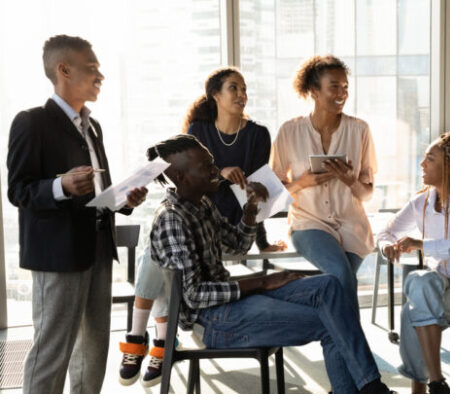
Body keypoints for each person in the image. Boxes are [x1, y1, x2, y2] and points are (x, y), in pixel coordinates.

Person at [147, 134, 395, 394]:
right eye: (206, 167)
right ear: (179, 176)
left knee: (330, 287)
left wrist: (251, 207)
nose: (215, 171)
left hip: (231, 303)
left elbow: (239, 245)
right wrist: (262, 282)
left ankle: (370, 387)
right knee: (330, 321)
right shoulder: (172, 219)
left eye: (212, 163)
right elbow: (195, 295)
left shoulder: (202, 204)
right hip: (211, 321)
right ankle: (371, 388)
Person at [117, 66, 286, 387]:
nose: (242, 94)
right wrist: (220, 173)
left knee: (160, 247)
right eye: (233, 88)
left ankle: (145, 337)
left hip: (227, 224)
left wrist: (260, 238)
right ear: (215, 96)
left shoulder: (258, 134)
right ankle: (158, 341)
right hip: (194, 215)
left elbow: (260, 187)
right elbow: (186, 171)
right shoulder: (199, 130)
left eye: (244, 88)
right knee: (166, 246)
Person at [6, 35, 147, 394]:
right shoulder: (31, 122)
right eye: (92, 69)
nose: (100, 77)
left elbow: (101, 191)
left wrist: (126, 198)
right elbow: (18, 190)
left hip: (98, 248)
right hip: (58, 256)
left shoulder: (93, 126)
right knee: (52, 352)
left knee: (93, 351)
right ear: (63, 69)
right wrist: (61, 187)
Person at [377, 132, 450, 394]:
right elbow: (385, 233)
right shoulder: (422, 201)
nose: (422, 164)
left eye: (430, 158)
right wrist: (386, 246)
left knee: (411, 312)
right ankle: (437, 383)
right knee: (420, 280)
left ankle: (424, 387)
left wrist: (422, 244)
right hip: (436, 286)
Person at [270, 55, 377, 315]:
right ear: (314, 91)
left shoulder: (360, 130)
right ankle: (357, 351)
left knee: (336, 292)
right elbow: (273, 191)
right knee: (341, 274)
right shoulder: (289, 131)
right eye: (334, 87)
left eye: (345, 87)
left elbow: (367, 193)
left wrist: (350, 180)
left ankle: (338, 348)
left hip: (353, 228)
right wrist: (303, 182)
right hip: (309, 225)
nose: (342, 93)